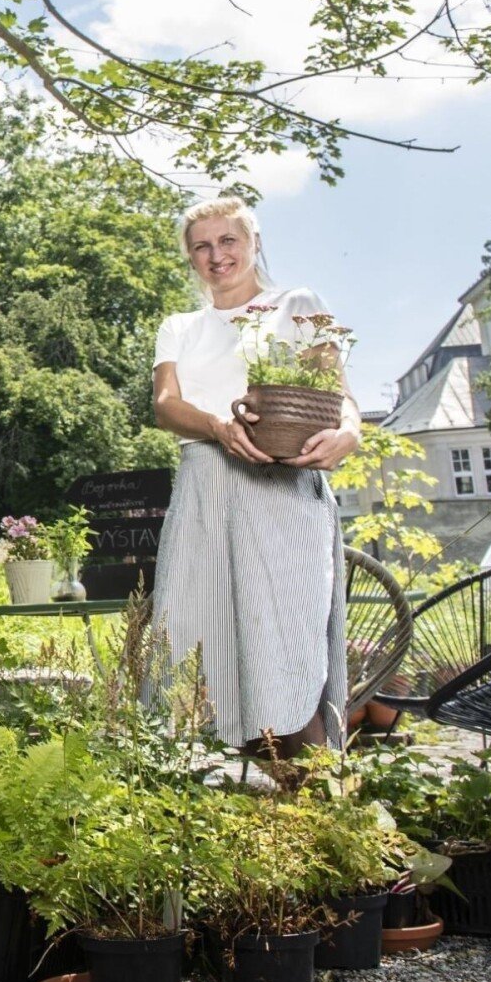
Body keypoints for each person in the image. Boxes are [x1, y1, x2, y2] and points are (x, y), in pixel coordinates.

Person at [149, 196, 359, 759]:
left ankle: (326, 820)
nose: (216, 255)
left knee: (286, 652)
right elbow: (166, 406)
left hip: (282, 495)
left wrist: (351, 434)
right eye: (202, 246)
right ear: (190, 258)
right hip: (204, 492)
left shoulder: (298, 305)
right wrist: (219, 427)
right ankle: (238, 819)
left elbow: (339, 397)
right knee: (200, 652)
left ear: (254, 242)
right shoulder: (180, 327)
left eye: (228, 241)